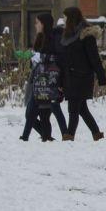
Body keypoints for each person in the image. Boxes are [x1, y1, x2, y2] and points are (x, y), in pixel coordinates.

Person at [61, 6, 106, 141]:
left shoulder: (86, 36)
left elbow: (94, 58)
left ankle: (69, 136)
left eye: (65, 17)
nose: (63, 20)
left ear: (71, 18)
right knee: (82, 109)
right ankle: (97, 134)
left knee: (73, 108)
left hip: (82, 77)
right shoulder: (68, 35)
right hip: (71, 77)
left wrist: (101, 77)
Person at [21, 12, 68, 142]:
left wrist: (41, 57)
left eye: (37, 22)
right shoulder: (40, 38)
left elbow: (58, 59)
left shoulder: (53, 38)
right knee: (40, 113)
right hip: (38, 81)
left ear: (43, 24)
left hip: (50, 81)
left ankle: (62, 135)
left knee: (47, 110)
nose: (35, 25)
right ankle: (46, 135)